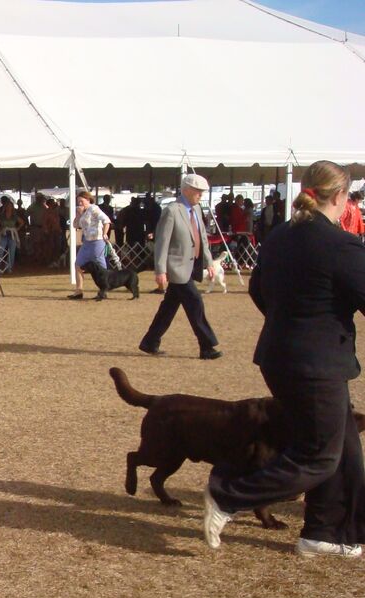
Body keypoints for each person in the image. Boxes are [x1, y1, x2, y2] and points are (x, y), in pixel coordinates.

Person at [203, 160, 365, 559]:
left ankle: (326, 533)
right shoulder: (341, 245)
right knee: (320, 454)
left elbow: (259, 291)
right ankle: (227, 493)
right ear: (342, 198)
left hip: (283, 357)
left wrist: (291, 320)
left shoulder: (279, 237)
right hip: (316, 364)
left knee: (344, 451)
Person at [138, 173, 221, 360]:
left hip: (191, 267)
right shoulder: (172, 211)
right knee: (195, 303)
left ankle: (150, 341)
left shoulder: (197, 209)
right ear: (186, 190)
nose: (201, 195)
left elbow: (203, 239)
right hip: (176, 268)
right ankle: (206, 346)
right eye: (198, 191)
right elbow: (162, 242)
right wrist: (161, 270)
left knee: (168, 308)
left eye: (202, 191)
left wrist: (209, 262)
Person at [69, 190, 112, 299]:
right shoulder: (81, 211)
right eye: (78, 201)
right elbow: (75, 225)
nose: (79, 203)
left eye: (81, 201)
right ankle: (79, 291)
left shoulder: (94, 209)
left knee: (100, 267)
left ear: (88, 200)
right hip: (87, 242)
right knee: (78, 264)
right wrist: (78, 214)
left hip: (97, 241)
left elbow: (106, 220)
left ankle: (103, 291)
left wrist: (105, 233)